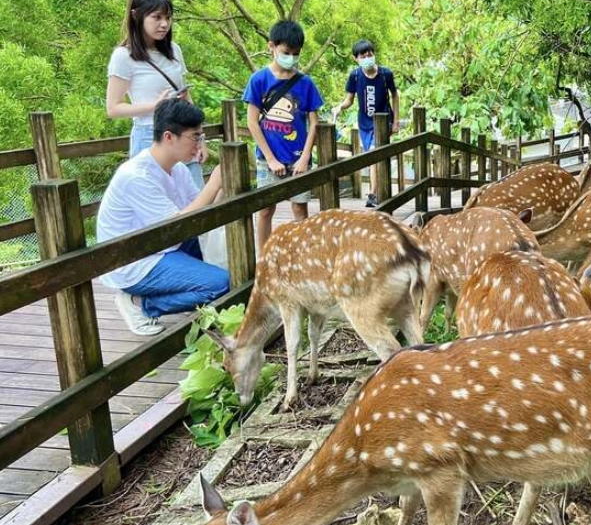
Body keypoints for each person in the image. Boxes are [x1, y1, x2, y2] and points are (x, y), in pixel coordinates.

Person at [98, 99, 230, 336]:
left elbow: (198, 212)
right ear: (169, 137)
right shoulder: (136, 176)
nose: (200, 144)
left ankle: (187, 296)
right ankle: (141, 304)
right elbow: (177, 225)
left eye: (201, 137)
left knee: (229, 258)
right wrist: (213, 183)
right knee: (220, 282)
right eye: (195, 137)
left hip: (163, 245)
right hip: (135, 261)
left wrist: (222, 188)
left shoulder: (177, 168)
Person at [106, 0, 206, 189]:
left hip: (184, 133)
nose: (164, 24)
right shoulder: (123, 56)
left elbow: (186, 99)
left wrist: (199, 138)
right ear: (136, 16)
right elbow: (114, 108)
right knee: (155, 208)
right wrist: (155, 106)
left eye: (168, 18)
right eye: (157, 17)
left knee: (194, 203)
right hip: (149, 135)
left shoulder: (174, 50)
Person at [243, 20, 324, 251]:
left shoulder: (305, 83)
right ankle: (265, 257)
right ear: (272, 46)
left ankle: (303, 257)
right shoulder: (259, 80)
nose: (291, 58)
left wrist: (305, 157)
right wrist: (270, 158)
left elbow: (313, 121)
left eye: (296, 54)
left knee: (300, 209)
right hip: (268, 157)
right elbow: (252, 122)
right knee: (266, 210)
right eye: (286, 52)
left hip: (297, 157)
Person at [331, 39, 399, 207]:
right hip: (364, 123)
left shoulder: (385, 74)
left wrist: (396, 121)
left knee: (375, 153)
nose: (368, 57)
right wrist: (340, 107)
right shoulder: (355, 76)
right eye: (363, 55)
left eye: (370, 54)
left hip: (383, 121)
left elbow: (395, 95)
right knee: (372, 156)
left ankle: (372, 194)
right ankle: (379, 191)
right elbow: (349, 100)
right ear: (356, 58)